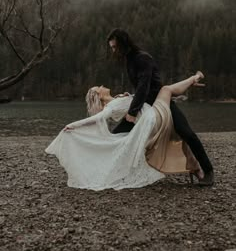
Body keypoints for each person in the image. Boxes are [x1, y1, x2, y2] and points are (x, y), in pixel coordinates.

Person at [45, 72, 205, 190]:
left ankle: (195, 168)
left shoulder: (117, 100)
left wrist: (130, 97)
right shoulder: (110, 107)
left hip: (150, 117)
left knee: (180, 135)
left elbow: (134, 103)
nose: (101, 86)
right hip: (151, 118)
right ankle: (195, 77)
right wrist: (74, 125)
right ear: (99, 95)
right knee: (166, 90)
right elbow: (97, 119)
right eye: (98, 88)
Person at [107, 28, 214, 186]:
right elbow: (139, 88)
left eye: (115, 47)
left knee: (186, 133)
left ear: (124, 44)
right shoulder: (129, 61)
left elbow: (144, 86)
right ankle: (110, 171)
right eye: (112, 48)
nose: (113, 51)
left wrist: (132, 111)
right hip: (145, 105)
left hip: (162, 103)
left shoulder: (142, 58)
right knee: (116, 133)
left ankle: (209, 172)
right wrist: (130, 97)